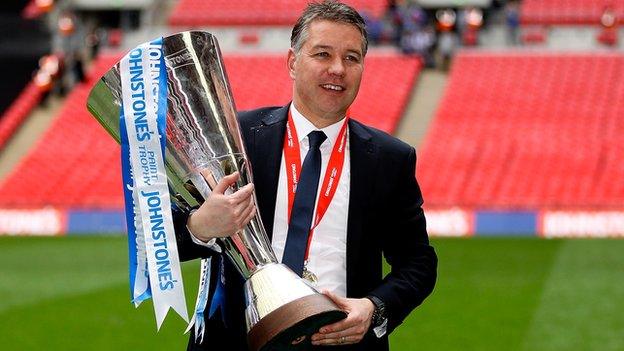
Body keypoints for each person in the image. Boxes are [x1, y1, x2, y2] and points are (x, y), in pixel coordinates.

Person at [174, 1, 437, 350]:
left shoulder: (390, 159)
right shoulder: (235, 137)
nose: (338, 69)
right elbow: (163, 239)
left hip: (341, 340)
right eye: (323, 54)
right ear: (292, 62)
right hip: (239, 340)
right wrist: (201, 226)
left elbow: (418, 263)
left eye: (352, 58)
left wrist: (373, 308)